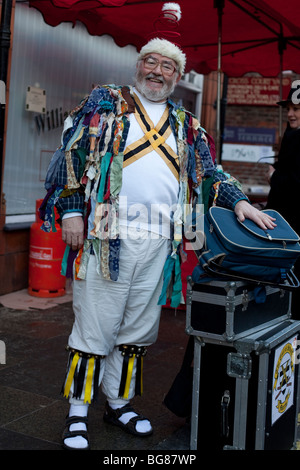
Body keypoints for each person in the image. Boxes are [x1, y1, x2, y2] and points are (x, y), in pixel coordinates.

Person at [40, 37, 276, 450]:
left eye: (167, 66)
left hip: (160, 242)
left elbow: (209, 172)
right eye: (150, 62)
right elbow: (71, 156)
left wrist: (239, 203)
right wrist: (72, 211)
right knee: (96, 326)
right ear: (139, 65)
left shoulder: (187, 125)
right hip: (106, 236)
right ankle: (78, 411)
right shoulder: (107, 101)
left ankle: (119, 403)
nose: (157, 71)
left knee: (137, 330)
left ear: (178, 76)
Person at [266, 83, 300, 319]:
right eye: (289, 108)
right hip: (284, 227)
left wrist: (273, 176)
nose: (290, 113)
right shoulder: (291, 134)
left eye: (297, 109)